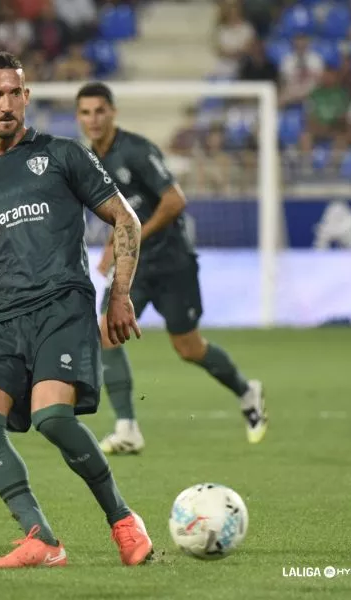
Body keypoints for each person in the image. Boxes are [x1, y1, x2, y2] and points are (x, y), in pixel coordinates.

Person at [0, 51, 153, 569]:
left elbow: (126, 220)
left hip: (60, 308)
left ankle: (123, 520)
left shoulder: (63, 155)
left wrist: (120, 294)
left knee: (52, 418)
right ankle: (40, 537)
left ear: (27, 96)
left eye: (14, 92)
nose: (6, 103)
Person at [74, 82, 267, 454]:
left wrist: (132, 237)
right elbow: (120, 213)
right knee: (106, 331)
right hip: (137, 267)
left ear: (113, 112)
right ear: (78, 117)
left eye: (100, 111)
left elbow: (175, 200)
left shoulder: (136, 150)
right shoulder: (87, 159)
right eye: (85, 112)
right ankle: (127, 427)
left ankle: (247, 391)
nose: (93, 119)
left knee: (189, 347)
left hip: (173, 261)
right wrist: (114, 246)